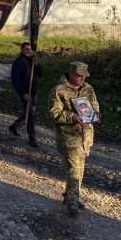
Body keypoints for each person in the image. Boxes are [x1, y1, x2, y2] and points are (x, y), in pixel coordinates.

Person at [49, 62, 100, 216]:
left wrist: (95, 115)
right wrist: (73, 117)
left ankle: (69, 196)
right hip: (68, 137)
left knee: (80, 170)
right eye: (79, 76)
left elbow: (95, 106)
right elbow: (53, 113)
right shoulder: (58, 91)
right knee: (74, 171)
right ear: (71, 74)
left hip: (85, 137)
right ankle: (72, 203)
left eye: (84, 76)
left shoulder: (88, 89)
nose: (82, 79)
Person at [9, 42, 42, 147]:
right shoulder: (17, 63)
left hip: (33, 91)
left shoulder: (31, 60)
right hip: (25, 92)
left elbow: (40, 73)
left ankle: (15, 126)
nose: (29, 51)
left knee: (30, 112)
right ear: (21, 49)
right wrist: (23, 94)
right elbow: (15, 81)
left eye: (30, 49)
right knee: (31, 114)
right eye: (27, 49)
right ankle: (32, 138)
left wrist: (36, 63)